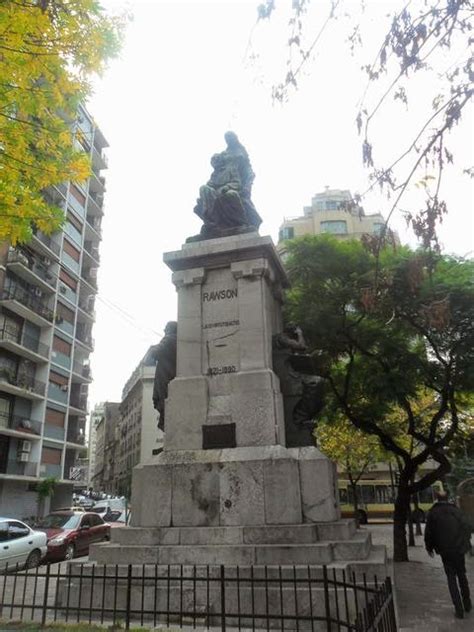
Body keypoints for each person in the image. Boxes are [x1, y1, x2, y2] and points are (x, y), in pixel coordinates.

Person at [424, 490, 473, 619]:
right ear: (447, 498)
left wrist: (430, 548)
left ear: (437, 498)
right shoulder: (456, 511)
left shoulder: (433, 513)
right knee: (462, 575)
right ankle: (467, 603)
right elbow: (467, 526)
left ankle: (459, 609)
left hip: (445, 551)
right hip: (458, 550)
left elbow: (429, 533)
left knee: (451, 578)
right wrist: (465, 542)